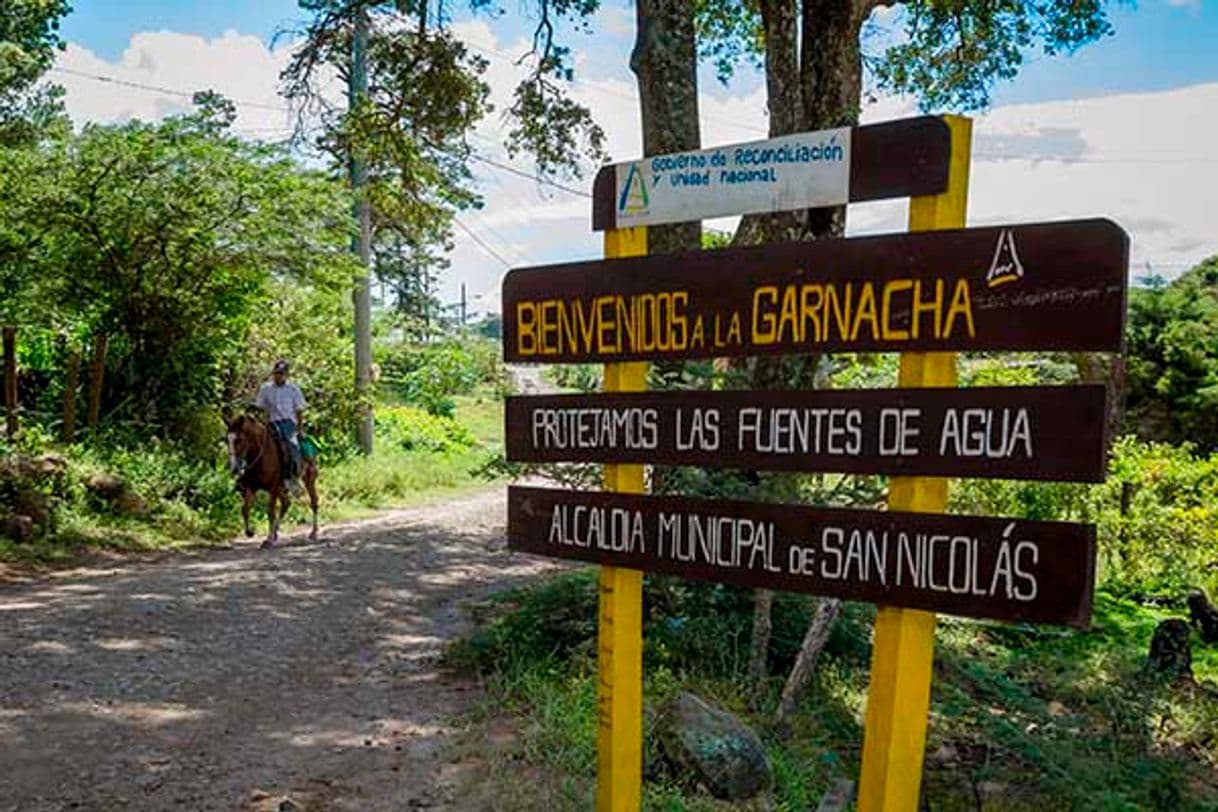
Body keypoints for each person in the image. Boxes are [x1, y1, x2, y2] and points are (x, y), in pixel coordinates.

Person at [255, 359, 307, 495]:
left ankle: (293, 478)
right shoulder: (265, 388)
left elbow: (299, 410)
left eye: (281, 374)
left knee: (293, 446)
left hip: (288, 423)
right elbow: (259, 407)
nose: (278, 376)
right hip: (271, 423)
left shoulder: (293, 389)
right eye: (276, 373)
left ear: (286, 375)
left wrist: (299, 429)